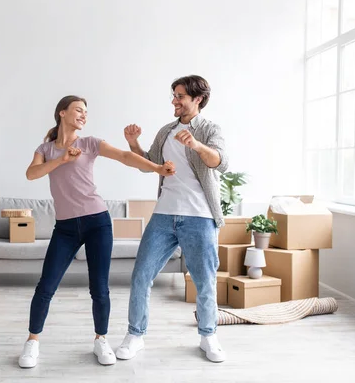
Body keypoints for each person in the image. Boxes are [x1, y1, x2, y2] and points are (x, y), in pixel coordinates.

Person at [18, 95, 175, 368]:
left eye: (86, 112)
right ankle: (32, 342)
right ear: (62, 113)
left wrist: (158, 169)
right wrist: (63, 158)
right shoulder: (45, 149)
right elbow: (32, 174)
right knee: (46, 286)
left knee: (99, 288)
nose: (83, 115)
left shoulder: (90, 143)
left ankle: (100, 340)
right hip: (65, 228)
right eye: (78, 110)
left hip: (97, 222)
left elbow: (125, 156)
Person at [116, 75, 229, 363]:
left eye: (180, 96)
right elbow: (149, 165)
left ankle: (208, 337)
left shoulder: (210, 129)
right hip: (164, 214)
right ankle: (135, 335)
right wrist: (133, 143)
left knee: (204, 281)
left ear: (198, 99)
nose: (174, 101)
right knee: (141, 275)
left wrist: (196, 145)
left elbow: (221, 162)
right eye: (174, 95)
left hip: (200, 216)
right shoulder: (166, 131)